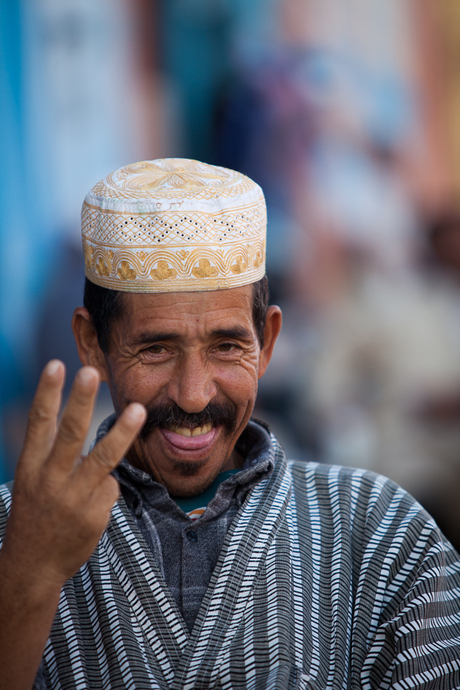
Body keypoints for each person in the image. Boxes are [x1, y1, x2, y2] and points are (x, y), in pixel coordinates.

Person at [0, 159, 459, 690]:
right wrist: (26, 581)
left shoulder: (385, 534)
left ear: (267, 342)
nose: (194, 395)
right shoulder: (16, 532)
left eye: (227, 346)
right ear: (92, 345)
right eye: (154, 349)